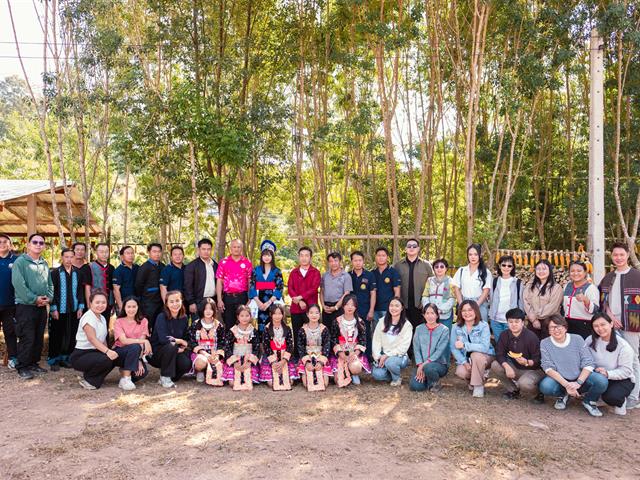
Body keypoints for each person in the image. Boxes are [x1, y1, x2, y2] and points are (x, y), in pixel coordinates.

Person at [539, 315, 608, 416]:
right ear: (548, 330)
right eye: (552, 327)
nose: (556, 330)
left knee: (601, 380)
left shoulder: (577, 339)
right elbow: (548, 367)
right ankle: (562, 395)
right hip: (561, 379)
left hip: (581, 377)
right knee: (545, 386)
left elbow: (588, 362)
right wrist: (567, 385)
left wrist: (578, 383)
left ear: (565, 327)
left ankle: (589, 401)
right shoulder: (545, 343)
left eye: (559, 326)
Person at [599, 241, 640, 410]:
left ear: (627, 255)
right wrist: (610, 317)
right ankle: (609, 394)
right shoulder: (608, 277)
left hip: (632, 323)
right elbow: (603, 301)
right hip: (610, 324)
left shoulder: (637, 275)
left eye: (621, 254)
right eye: (615, 255)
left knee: (633, 358)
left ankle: (634, 396)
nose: (618, 258)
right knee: (611, 358)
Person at [11, 233, 53, 380]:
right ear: (28, 245)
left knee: (38, 337)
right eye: (35, 242)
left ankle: (33, 363)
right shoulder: (20, 262)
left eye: (41, 243)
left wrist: (49, 298)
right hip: (25, 306)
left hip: (41, 307)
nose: (38, 245)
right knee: (26, 337)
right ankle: (22, 366)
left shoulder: (44, 263)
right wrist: (34, 299)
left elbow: (50, 284)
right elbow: (18, 285)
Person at [490, 307, 544, 401]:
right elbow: (499, 353)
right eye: (510, 322)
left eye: (516, 322)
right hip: (516, 367)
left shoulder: (531, 337)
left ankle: (538, 394)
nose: (513, 324)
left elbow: (538, 360)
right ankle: (513, 390)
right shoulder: (504, 335)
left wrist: (527, 362)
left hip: (533, 370)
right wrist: (506, 366)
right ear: (507, 323)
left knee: (525, 383)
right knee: (495, 365)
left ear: (523, 323)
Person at [70, 289, 118, 389]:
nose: (100, 305)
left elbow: (103, 339)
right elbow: (92, 339)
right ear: (90, 303)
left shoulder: (102, 318)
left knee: (112, 358)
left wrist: (109, 351)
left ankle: (94, 379)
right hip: (81, 355)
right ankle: (89, 380)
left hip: (95, 352)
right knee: (106, 359)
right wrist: (107, 351)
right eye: (97, 302)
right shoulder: (88, 317)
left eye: (103, 302)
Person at [588, 312, 635, 415]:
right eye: (596, 326)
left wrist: (607, 373)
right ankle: (599, 395)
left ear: (611, 324)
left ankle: (620, 401)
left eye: (603, 324)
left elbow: (626, 371)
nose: (600, 328)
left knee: (612, 397)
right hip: (599, 376)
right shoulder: (590, 340)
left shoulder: (623, 346)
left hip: (621, 379)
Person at [48, 248, 85, 371]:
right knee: (56, 334)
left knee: (70, 334)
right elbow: (51, 292)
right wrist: (53, 309)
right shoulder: (55, 273)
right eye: (66, 257)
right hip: (59, 309)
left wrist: (80, 306)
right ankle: (54, 359)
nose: (69, 260)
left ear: (74, 258)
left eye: (71, 257)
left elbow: (80, 291)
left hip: (74, 309)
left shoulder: (77, 273)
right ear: (62, 258)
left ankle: (66, 358)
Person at [451, 300, 495, 398]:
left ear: (476, 310)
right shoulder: (455, 327)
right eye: (463, 310)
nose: (467, 313)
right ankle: (474, 380)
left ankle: (478, 386)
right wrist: (464, 362)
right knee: (460, 371)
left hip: (485, 356)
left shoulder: (483, 325)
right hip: (467, 359)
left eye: (470, 310)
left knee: (475, 355)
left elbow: (484, 347)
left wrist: (464, 345)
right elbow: (453, 348)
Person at [147, 290, 191, 388]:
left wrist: (183, 344)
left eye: (177, 300)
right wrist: (179, 341)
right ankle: (165, 377)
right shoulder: (161, 317)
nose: (175, 304)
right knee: (171, 346)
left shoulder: (184, 318)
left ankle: (170, 376)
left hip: (175, 351)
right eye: (171, 302)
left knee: (186, 364)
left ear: (181, 301)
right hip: (157, 353)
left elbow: (185, 337)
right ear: (166, 304)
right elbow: (164, 339)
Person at [329, 294, 371, 385]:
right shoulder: (337, 321)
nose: (350, 307)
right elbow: (333, 339)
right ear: (343, 306)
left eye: (352, 305)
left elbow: (363, 341)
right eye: (347, 304)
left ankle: (353, 373)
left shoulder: (360, 322)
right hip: (340, 353)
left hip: (354, 353)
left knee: (356, 367)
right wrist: (341, 354)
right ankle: (344, 371)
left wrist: (355, 354)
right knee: (337, 380)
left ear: (356, 307)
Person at [371, 297, 412, 386]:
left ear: (402, 308)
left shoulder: (407, 325)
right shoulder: (382, 321)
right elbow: (376, 341)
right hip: (384, 355)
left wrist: (387, 356)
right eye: (391, 305)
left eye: (397, 306)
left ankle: (396, 378)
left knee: (391, 362)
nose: (393, 308)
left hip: (399, 356)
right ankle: (391, 372)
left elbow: (404, 347)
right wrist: (378, 357)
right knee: (377, 374)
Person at [393, 239, 433, 331]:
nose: (411, 248)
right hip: (403, 306)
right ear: (405, 249)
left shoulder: (426, 265)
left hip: (420, 306)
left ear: (418, 248)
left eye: (414, 246)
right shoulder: (398, 265)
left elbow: (432, 283)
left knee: (420, 332)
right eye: (409, 246)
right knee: (404, 332)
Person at [410, 303, 450, 392]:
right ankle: (427, 379)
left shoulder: (444, 330)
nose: (430, 316)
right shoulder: (419, 329)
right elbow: (416, 349)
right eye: (427, 313)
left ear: (437, 315)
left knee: (429, 368)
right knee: (415, 387)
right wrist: (420, 365)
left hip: (438, 365)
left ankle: (435, 383)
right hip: (421, 365)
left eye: (432, 313)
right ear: (424, 315)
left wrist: (424, 365)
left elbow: (439, 351)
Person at [112, 297, 151, 391]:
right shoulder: (118, 321)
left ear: (138, 307)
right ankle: (126, 379)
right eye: (128, 307)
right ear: (124, 308)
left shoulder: (144, 321)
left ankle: (124, 372)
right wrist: (144, 341)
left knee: (142, 373)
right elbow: (124, 341)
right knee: (134, 346)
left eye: (134, 306)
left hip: (135, 352)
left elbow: (141, 344)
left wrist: (138, 360)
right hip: (120, 353)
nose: (131, 309)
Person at [287, 246, 321, 352]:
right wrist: (299, 301)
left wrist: (301, 297)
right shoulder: (294, 272)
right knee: (297, 332)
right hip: (296, 308)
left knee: (312, 332)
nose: (304, 258)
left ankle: (313, 354)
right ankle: (297, 355)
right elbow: (290, 288)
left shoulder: (315, 272)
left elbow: (314, 288)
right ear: (299, 257)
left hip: (311, 309)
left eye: (306, 255)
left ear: (310, 258)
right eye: (301, 255)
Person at [249, 240, 284, 338]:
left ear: (272, 256)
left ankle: (274, 346)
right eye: (264, 255)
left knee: (273, 322)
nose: (267, 257)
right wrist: (258, 302)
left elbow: (279, 287)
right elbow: (252, 286)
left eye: (269, 255)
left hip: (272, 299)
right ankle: (260, 347)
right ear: (261, 256)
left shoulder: (277, 271)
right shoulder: (256, 270)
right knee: (260, 324)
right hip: (258, 299)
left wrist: (268, 303)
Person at [216, 239, 253, 330]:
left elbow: (250, 282)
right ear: (230, 248)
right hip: (228, 297)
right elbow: (219, 281)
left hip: (242, 296)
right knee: (228, 323)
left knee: (243, 322)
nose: (236, 249)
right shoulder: (223, 262)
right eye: (234, 247)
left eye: (238, 247)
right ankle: (229, 343)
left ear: (242, 248)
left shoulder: (247, 263)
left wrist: (250, 298)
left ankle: (242, 343)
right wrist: (219, 299)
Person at [259, 304, 299, 386]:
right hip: (271, 358)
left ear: (283, 314)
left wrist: (283, 361)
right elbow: (266, 346)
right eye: (275, 314)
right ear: (271, 315)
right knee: (272, 383)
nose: (277, 316)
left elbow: (290, 345)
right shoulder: (267, 329)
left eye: (279, 313)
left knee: (290, 382)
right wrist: (274, 362)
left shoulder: (287, 328)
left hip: (284, 357)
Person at [451, 243, 491, 324]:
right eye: (470, 254)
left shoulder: (486, 272)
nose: (473, 257)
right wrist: (462, 305)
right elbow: (456, 288)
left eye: (475, 254)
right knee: (464, 329)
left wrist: (475, 306)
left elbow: (486, 291)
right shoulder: (462, 270)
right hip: (464, 302)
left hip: (480, 304)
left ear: (480, 255)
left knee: (480, 329)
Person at [188, 298, 225, 383]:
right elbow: (192, 342)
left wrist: (217, 356)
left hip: (214, 354)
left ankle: (209, 371)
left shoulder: (219, 326)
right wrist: (204, 354)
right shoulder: (195, 324)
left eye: (211, 309)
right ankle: (200, 371)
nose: (208, 311)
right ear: (202, 310)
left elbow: (222, 342)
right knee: (201, 362)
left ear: (214, 310)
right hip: (201, 354)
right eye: (205, 309)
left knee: (220, 367)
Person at [523, 259, 563, 339]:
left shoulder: (556, 287)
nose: (541, 271)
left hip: (550, 322)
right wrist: (534, 320)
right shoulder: (530, 286)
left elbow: (553, 306)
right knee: (532, 346)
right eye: (538, 269)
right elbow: (526, 302)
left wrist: (537, 316)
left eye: (544, 269)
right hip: (532, 322)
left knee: (547, 347)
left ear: (549, 271)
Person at [222, 305, 261, 386]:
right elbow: (227, 347)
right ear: (237, 317)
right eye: (242, 316)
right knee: (232, 383)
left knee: (250, 380)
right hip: (235, 359)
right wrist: (235, 362)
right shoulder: (232, 331)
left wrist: (249, 362)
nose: (244, 318)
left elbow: (256, 348)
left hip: (248, 360)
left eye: (247, 315)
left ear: (250, 317)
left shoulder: (254, 331)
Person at [349, 251, 377, 362]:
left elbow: (373, 293)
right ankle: (354, 356)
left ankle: (367, 356)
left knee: (365, 333)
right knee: (352, 333)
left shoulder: (370, 275)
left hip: (365, 309)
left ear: (363, 261)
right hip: (350, 310)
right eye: (355, 260)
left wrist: (371, 310)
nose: (358, 262)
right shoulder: (348, 275)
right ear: (352, 261)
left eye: (360, 260)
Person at [297, 304, 332, 388]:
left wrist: (321, 362)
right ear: (307, 314)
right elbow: (300, 346)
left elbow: (327, 345)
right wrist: (307, 362)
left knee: (324, 384)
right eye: (311, 313)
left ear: (320, 314)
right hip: (307, 357)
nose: (314, 315)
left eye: (316, 313)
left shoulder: (324, 329)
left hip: (320, 357)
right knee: (307, 384)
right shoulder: (303, 330)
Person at [488, 254, 522, 340]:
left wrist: (520, 318)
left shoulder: (518, 283)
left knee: (512, 345)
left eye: (509, 265)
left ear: (512, 267)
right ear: (499, 266)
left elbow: (521, 302)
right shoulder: (494, 281)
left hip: (512, 321)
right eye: (503, 265)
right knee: (499, 344)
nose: (506, 267)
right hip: (495, 320)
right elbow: (490, 299)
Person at [183, 238, 218, 319]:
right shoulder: (192, 266)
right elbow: (187, 286)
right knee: (197, 327)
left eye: (208, 249)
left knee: (211, 326)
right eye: (203, 249)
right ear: (199, 250)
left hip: (212, 301)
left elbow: (219, 283)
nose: (206, 251)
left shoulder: (215, 265)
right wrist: (191, 302)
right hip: (197, 302)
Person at [563, 261, 599, 339]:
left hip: (584, 326)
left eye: (579, 271)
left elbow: (595, 310)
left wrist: (586, 300)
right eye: (572, 271)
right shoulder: (567, 286)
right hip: (567, 324)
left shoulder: (591, 288)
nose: (575, 273)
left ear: (585, 272)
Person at [371, 247, 401, 337]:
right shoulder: (372, 273)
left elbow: (397, 291)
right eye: (379, 255)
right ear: (375, 257)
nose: (381, 257)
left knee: (388, 333)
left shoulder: (393, 272)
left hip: (388, 309)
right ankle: (376, 351)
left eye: (383, 255)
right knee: (376, 334)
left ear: (387, 257)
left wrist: (394, 308)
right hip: (375, 309)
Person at [135, 243, 165, 329]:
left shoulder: (162, 266)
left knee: (159, 323)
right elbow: (138, 285)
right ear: (149, 252)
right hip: (148, 302)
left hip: (160, 301)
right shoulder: (144, 267)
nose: (157, 254)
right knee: (148, 324)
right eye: (154, 251)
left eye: (159, 252)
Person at [83, 243, 115, 323]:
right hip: (94, 303)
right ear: (96, 252)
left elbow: (112, 288)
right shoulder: (89, 267)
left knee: (105, 325)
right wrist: (89, 304)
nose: (104, 254)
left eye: (106, 251)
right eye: (101, 252)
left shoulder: (111, 268)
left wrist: (113, 304)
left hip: (108, 303)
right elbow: (87, 288)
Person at [421, 258, 455, 331]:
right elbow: (425, 296)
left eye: (442, 266)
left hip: (445, 315)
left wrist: (441, 310)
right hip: (431, 315)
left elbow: (452, 298)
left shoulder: (451, 281)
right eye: (436, 267)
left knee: (445, 336)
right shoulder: (429, 280)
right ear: (433, 269)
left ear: (446, 268)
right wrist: (429, 309)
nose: (439, 269)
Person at [0, 234, 18, 369]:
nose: (2, 244)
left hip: (10, 304)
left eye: (5, 242)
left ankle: (13, 358)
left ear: (10, 244)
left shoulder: (17, 260)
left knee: (10, 332)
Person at [320, 252, 353, 326]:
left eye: (335, 261)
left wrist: (336, 307)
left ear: (340, 261)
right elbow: (321, 291)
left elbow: (346, 294)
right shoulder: (325, 275)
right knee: (326, 332)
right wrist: (323, 305)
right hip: (326, 308)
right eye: (331, 261)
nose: (333, 263)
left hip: (339, 308)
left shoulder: (346, 276)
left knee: (339, 331)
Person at [112, 245, 139, 313]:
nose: (131, 255)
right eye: (128, 253)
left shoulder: (137, 268)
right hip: (124, 303)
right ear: (122, 256)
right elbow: (116, 290)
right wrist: (121, 306)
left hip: (137, 303)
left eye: (132, 253)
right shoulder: (118, 271)